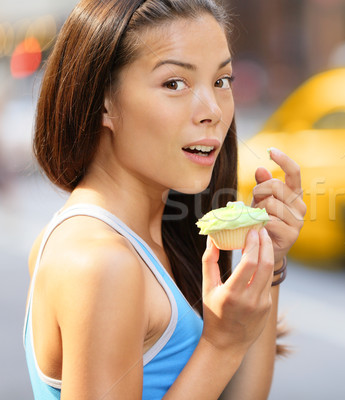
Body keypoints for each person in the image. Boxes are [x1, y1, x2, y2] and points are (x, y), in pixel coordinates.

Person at [23, 0, 306, 399]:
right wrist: (220, 344)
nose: (213, 111)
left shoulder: (151, 235)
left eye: (222, 81)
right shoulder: (100, 261)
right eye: (175, 83)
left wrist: (268, 264)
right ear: (102, 100)